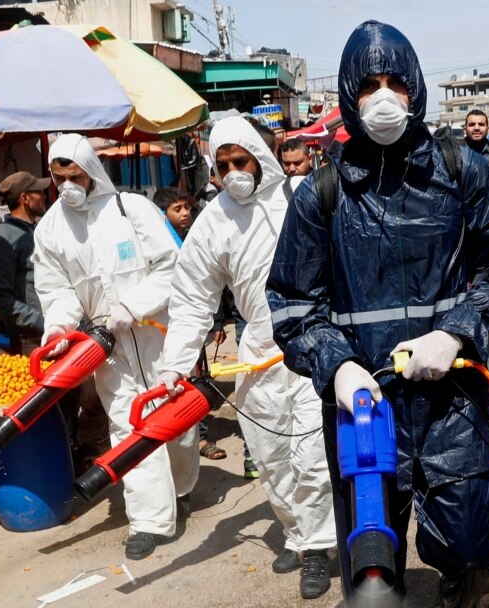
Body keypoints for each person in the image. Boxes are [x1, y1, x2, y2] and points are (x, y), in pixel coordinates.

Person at [266, 20, 489, 606]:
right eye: (369, 85)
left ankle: (471, 589)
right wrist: (337, 367)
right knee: (371, 563)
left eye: (395, 82)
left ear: (415, 87)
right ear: (346, 96)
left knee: (469, 543)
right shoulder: (323, 194)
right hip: (367, 411)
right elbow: (293, 304)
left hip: (452, 400)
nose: (384, 97)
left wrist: (457, 333)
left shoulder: (462, 171)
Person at [157, 116, 337, 600]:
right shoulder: (214, 221)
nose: (234, 171)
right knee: (269, 455)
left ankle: (319, 547)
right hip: (257, 349)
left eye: (242, 160)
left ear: (262, 154)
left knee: (312, 454)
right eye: (223, 164)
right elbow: (194, 297)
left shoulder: (302, 199)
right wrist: (176, 364)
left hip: (314, 345)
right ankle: (297, 532)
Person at [33, 133, 198, 561]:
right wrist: (59, 329)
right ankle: (149, 520)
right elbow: (57, 292)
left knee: (175, 422)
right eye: (58, 175)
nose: (68, 183)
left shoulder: (131, 208)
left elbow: (170, 265)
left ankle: (180, 489)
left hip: (157, 334)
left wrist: (133, 304)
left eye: (75, 174)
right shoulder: (51, 228)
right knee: (128, 425)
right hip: (108, 346)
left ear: (91, 171)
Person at [152, 186, 227, 461]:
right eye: (178, 209)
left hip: (195, 324)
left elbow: (209, 285)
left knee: (199, 381)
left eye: (187, 208)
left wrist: (216, 323)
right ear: (162, 214)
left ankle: (202, 436)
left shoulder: (193, 236)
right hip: (166, 328)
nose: (185, 214)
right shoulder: (158, 244)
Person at [0, 171, 50, 353]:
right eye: (39, 192)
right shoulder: (1, 241)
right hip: (31, 338)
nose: (44, 196)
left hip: (54, 329)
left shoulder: (36, 231)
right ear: (25, 198)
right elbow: (0, 298)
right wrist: (39, 322)